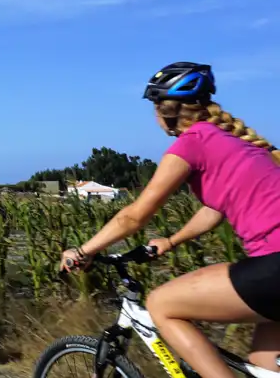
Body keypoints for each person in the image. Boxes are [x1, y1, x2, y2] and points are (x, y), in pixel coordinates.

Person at [61, 62, 280, 378]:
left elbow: (134, 216)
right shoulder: (235, 141)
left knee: (161, 304)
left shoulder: (194, 142)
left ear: (166, 111)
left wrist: (83, 251)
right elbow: (215, 210)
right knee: (263, 367)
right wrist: (172, 240)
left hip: (274, 264)